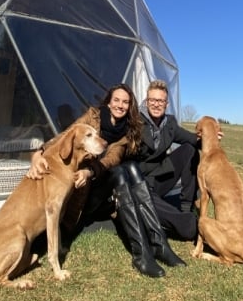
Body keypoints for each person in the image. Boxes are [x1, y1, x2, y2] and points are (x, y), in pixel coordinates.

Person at [28, 83, 185, 278]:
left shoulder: (127, 132)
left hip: (100, 185)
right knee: (121, 173)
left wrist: (90, 172)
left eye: (126, 102)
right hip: (82, 194)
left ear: (130, 106)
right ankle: (144, 253)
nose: (120, 105)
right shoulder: (92, 117)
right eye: (117, 100)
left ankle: (157, 246)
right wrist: (39, 152)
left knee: (127, 169)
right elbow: (66, 135)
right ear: (109, 103)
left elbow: (112, 159)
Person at [135, 80, 203, 242]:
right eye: (153, 100)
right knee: (188, 229)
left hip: (159, 179)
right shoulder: (134, 122)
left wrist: (211, 136)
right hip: (139, 184)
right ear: (146, 101)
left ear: (166, 103)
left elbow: (193, 140)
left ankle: (187, 207)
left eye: (161, 101)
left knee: (189, 150)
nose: (156, 104)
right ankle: (189, 224)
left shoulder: (170, 123)